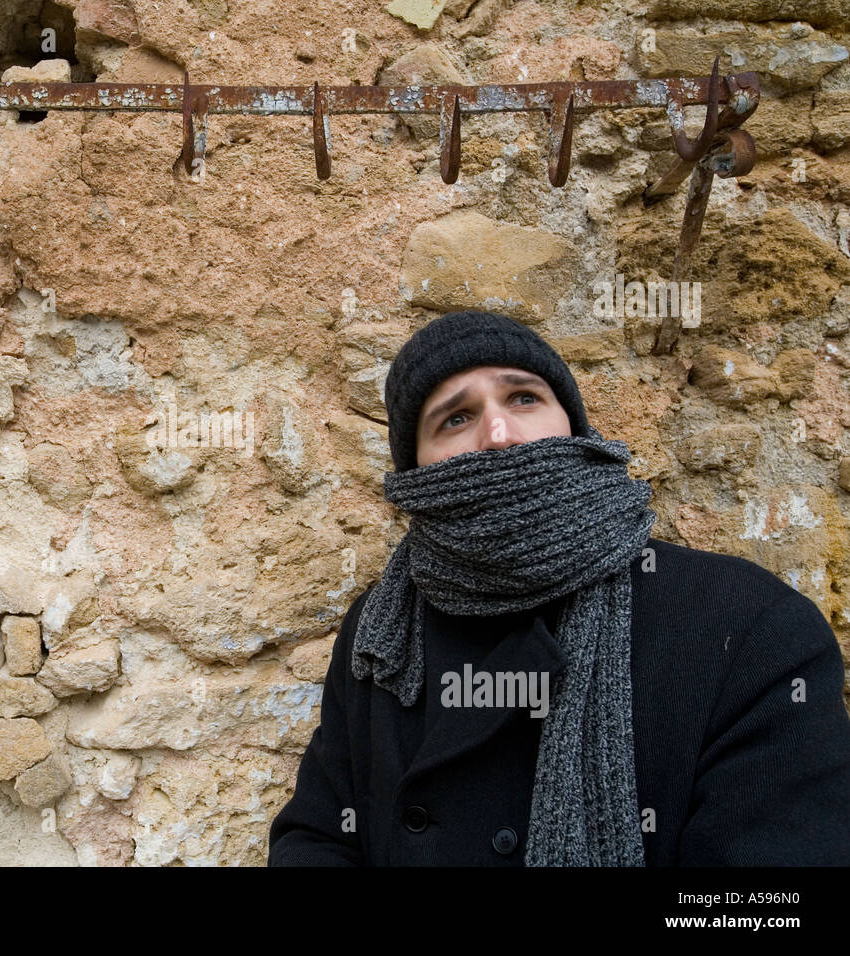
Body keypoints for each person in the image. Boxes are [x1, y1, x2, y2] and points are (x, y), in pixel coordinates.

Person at [267, 309, 850, 866]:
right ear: (415, 471)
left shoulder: (750, 627)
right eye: (455, 417)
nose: (499, 434)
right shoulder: (382, 632)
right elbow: (319, 836)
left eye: (524, 398)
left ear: (573, 424)